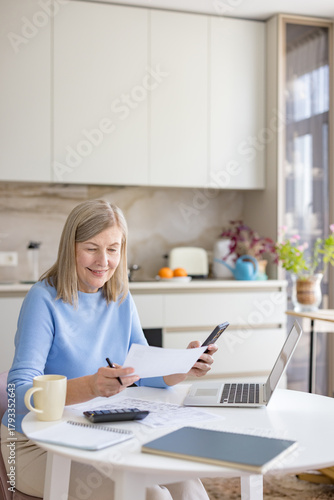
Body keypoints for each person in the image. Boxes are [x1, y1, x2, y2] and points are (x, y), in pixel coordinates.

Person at [1, 199, 217, 499]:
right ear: (70, 248)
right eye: (91, 248)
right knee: (152, 495)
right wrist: (91, 386)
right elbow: (18, 394)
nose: (103, 260)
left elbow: (140, 371)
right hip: (36, 442)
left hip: (96, 433)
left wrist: (182, 367)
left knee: (188, 484)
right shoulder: (43, 300)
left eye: (113, 249)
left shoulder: (120, 298)